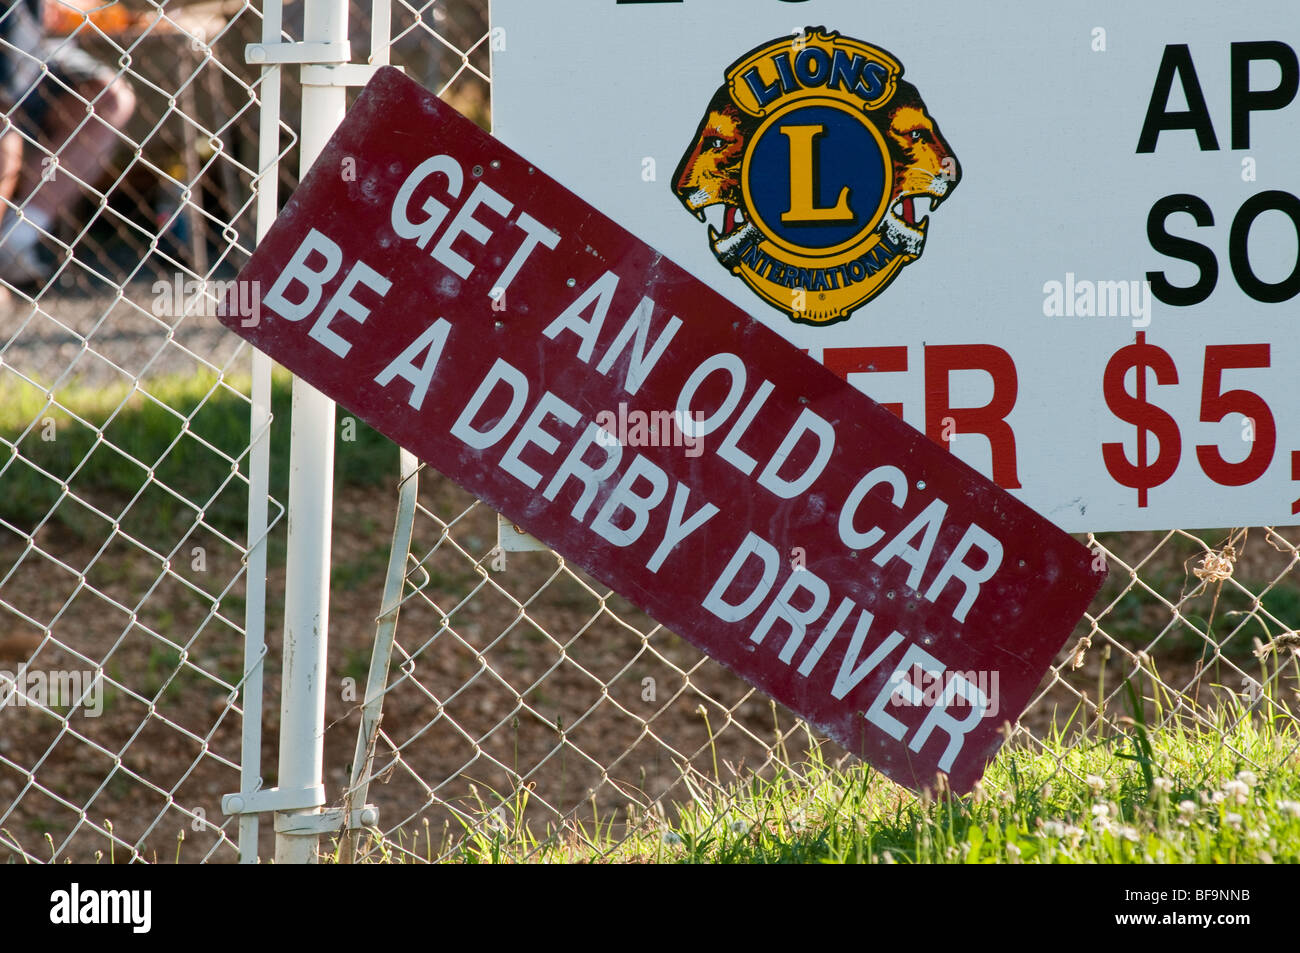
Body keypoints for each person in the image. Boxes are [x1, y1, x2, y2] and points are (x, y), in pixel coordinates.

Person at [0, 0, 134, 287]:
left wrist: (66, 5)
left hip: (46, 50)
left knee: (112, 99)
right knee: (4, 121)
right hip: (9, 36)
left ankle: (17, 236)